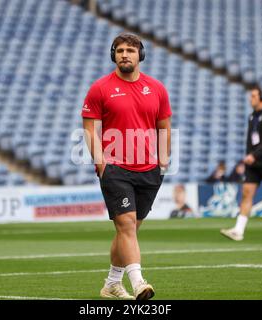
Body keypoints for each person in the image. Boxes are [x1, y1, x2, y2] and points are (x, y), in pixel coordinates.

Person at [81, 33, 172, 300]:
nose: (125, 54)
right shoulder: (100, 88)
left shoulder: (156, 88)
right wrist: (101, 163)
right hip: (115, 169)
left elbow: (164, 126)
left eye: (130, 50)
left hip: (149, 169)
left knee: (128, 231)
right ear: (113, 55)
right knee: (127, 225)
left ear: (139, 55)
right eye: (120, 50)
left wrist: (164, 161)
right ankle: (139, 283)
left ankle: (111, 284)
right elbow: (89, 129)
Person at [220, 85, 262, 241]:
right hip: (253, 163)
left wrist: (254, 155)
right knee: (246, 192)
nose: (250, 98)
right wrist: (249, 156)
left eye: (253, 96)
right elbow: (250, 140)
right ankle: (238, 230)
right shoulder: (252, 116)